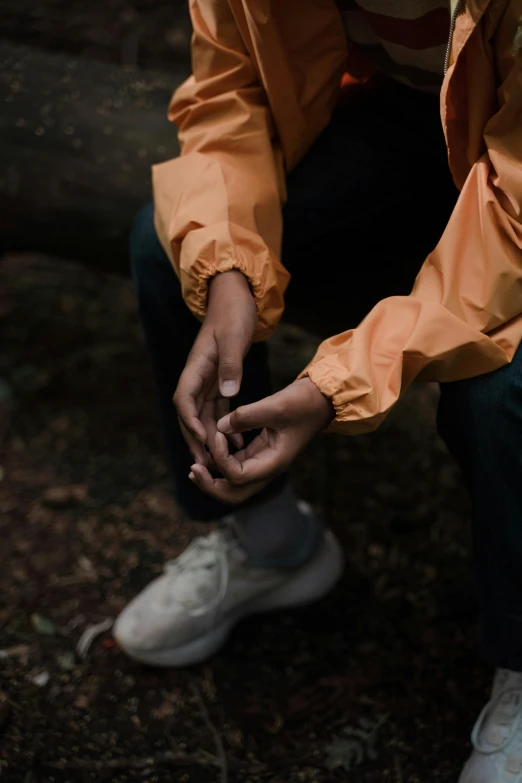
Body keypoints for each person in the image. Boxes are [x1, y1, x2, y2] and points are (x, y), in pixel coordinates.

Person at [114, 0, 522, 778]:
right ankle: (271, 543)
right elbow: (229, 92)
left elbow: (510, 225)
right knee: (172, 256)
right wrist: (229, 270)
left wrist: (334, 387)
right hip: (417, 120)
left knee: (499, 389)